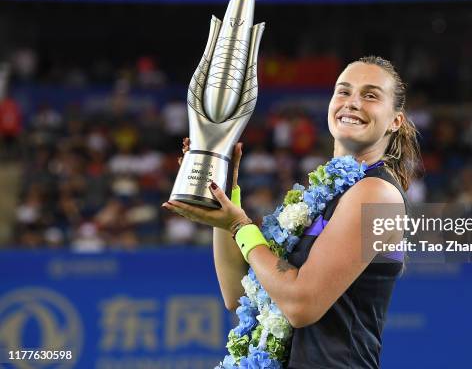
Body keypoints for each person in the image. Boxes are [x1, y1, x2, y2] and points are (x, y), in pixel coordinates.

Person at [162, 56, 420, 368]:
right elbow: (236, 292)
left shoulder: (377, 194)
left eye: (370, 95)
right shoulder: (321, 193)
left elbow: (301, 303)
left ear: (396, 120)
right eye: (344, 91)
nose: (352, 103)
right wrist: (226, 200)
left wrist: (241, 226)